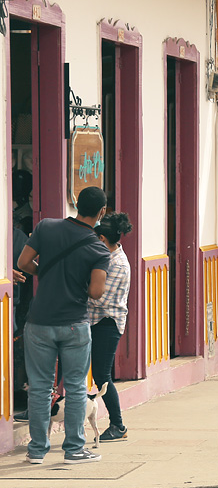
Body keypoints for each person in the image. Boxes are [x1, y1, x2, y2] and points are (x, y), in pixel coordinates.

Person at [15, 185, 112, 464]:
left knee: (40, 388)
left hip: (38, 323)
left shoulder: (46, 227)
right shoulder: (98, 249)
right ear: (102, 212)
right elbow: (95, 292)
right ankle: (73, 449)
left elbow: (23, 262)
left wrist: (44, 274)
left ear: (76, 205)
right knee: (76, 386)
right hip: (74, 324)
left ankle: (36, 450)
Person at [87, 211, 133, 442]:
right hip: (96, 321)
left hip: (107, 323)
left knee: (102, 375)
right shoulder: (106, 256)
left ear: (103, 239)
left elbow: (100, 299)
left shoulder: (118, 264)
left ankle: (118, 425)